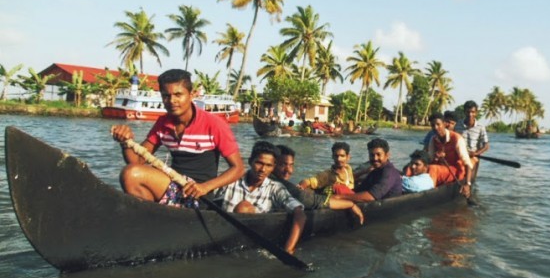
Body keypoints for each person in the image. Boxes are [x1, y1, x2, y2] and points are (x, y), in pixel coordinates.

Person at [110, 69, 245, 208]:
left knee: (131, 174)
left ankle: (153, 215)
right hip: (175, 186)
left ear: (192, 95)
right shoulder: (163, 123)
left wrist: (204, 187)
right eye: (166, 96)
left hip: (200, 195)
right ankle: (153, 217)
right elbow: (137, 161)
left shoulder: (214, 124)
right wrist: (125, 142)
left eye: (178, 95)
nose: (172, 101)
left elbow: (238, 169)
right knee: (130, 174)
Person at [215, 141, 306, 254]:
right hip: (224, 238)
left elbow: (300, 214)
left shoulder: (275, 188)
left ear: (273, 167)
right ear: (250, 161)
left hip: (251, 247)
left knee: (244, 207)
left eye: (269, 165)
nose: (263, 169)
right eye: (259, 163)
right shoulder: (230, 181)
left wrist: (289, 248)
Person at [272, 145, 364, 223]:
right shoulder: (326, 175)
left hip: (346, 196)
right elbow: (308, 182)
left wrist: (365, 172)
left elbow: (352, 176)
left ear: (348, 157)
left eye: (342, 156)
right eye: (336, 156)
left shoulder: (348, 169)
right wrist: (351, 204)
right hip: (336, 198)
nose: (339, 159)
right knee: (339, 188)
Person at [332, 138, 402, 203]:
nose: (375, 158)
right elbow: (359, 190)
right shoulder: (375, 172)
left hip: (385, 209)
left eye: (378, 154)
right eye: (372, 155)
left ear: (387, 155)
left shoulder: (389, 173)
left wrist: (339, 197)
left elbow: (371, 197)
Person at [426, 112, 474, 199]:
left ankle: (428, 195)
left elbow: (467, 163)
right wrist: (436, 157)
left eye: (438, 124)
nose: (435, 128)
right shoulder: (433, 139)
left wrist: (467, 184)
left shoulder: (457, 138)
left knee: (432, 168)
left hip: (455, 171)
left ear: (444, 124)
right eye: (433, 125)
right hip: (442, 169)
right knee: (415, 166)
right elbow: (430, 159)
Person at [456, 100, 489, 166]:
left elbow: (486, 146)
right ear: (464, 112)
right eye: (468, 112)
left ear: (476, 113)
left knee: (469, 167)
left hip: (473, 157)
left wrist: (476, 153)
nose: (470, 114)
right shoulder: (457, 125)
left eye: (473, 112)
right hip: (459, 156)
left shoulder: (480, 127)